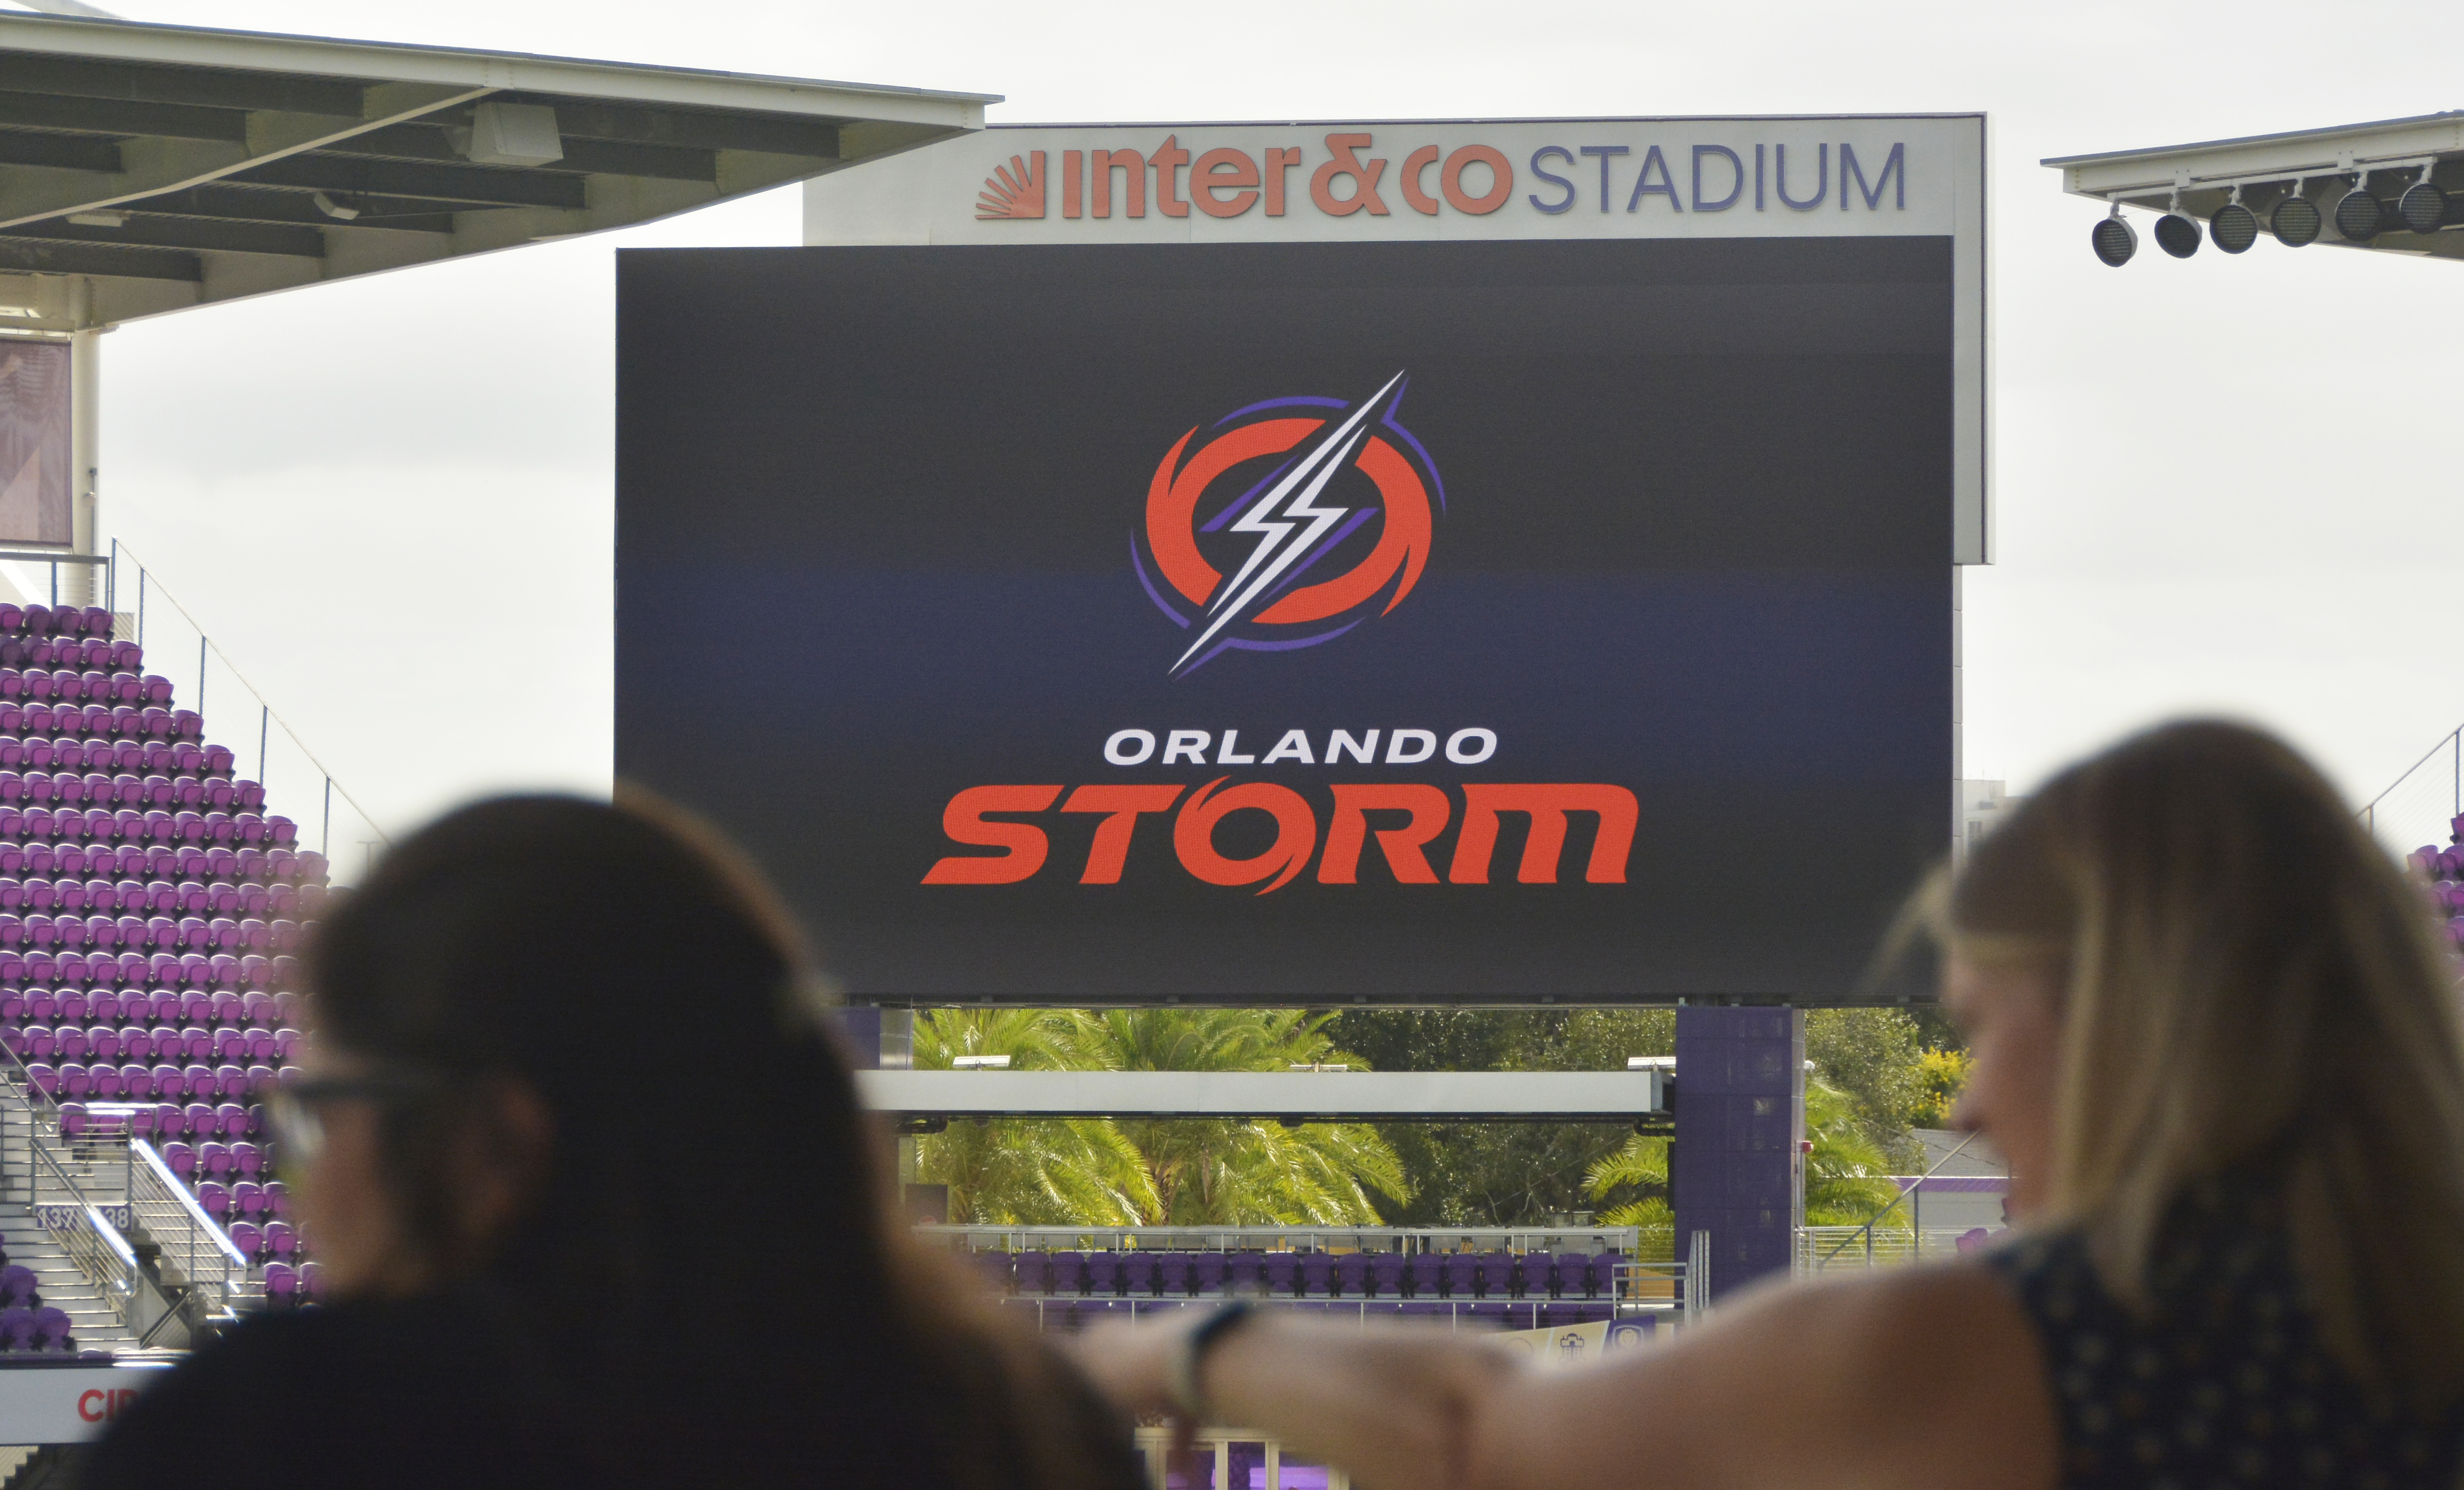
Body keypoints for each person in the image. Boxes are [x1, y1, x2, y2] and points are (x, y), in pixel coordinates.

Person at [1071, 719, 2464, 1490]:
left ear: (2128, 1012)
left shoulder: (2027, 1340)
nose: (1969, 1104)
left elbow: (1471, 1439)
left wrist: (1176, 1354)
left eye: (1984, 1028)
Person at [89, 793, 1146, 1490]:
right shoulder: (1022, 1429)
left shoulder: (287, 1425)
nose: (299, 1191)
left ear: (494, 1143)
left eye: (315, 1119)